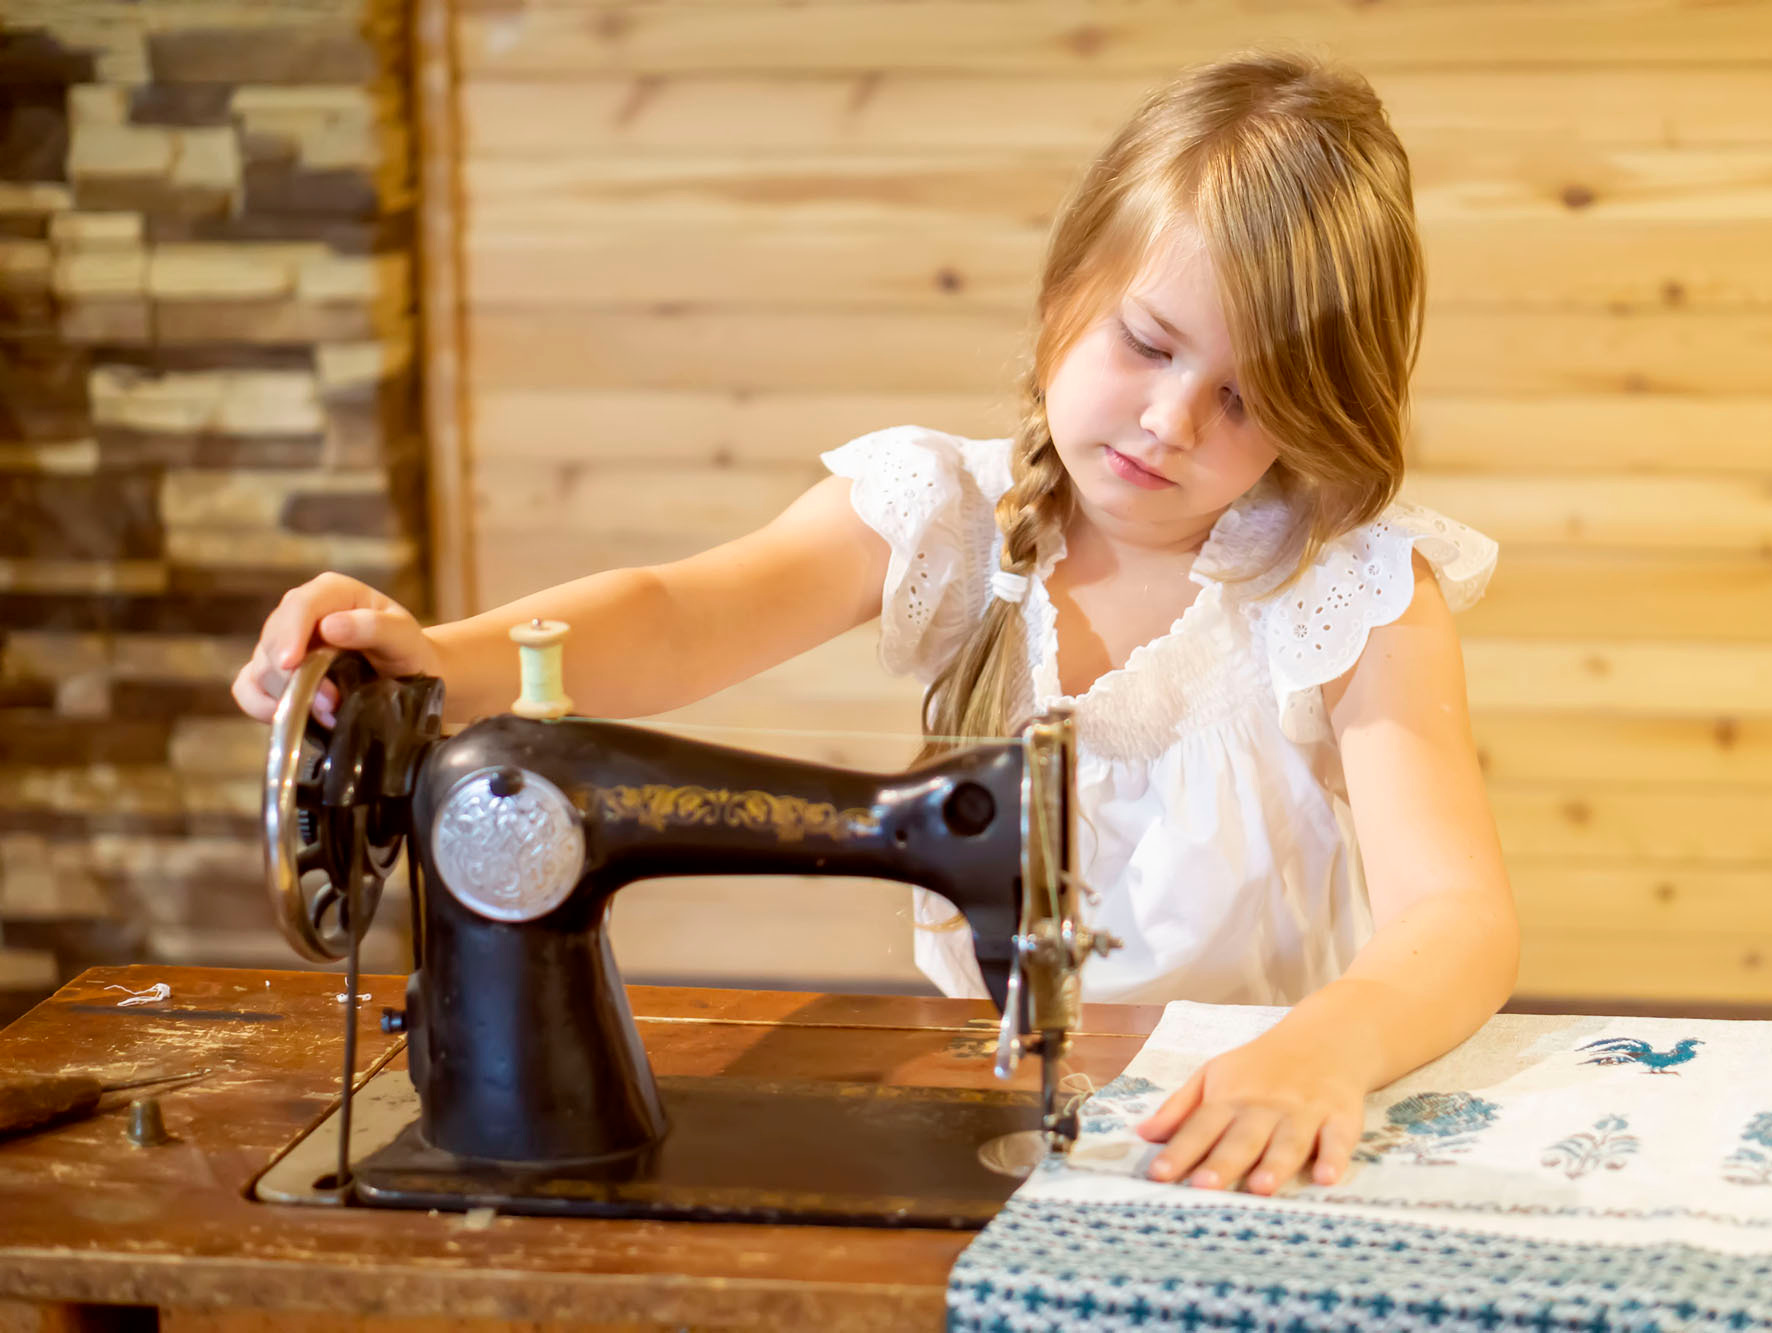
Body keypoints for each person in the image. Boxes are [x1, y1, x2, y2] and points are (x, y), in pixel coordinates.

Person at [233, 52, 1516, 1200]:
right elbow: (683, 613)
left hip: (1257, 1133)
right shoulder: (946, 515)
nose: (1169, 421)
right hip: (997, 1114)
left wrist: (1320, 1046)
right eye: (1145, 342)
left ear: (1311, 418)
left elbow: (1454, 914)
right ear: (1067, 288)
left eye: (1244, 396)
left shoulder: (1347, 594)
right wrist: (445, 658)